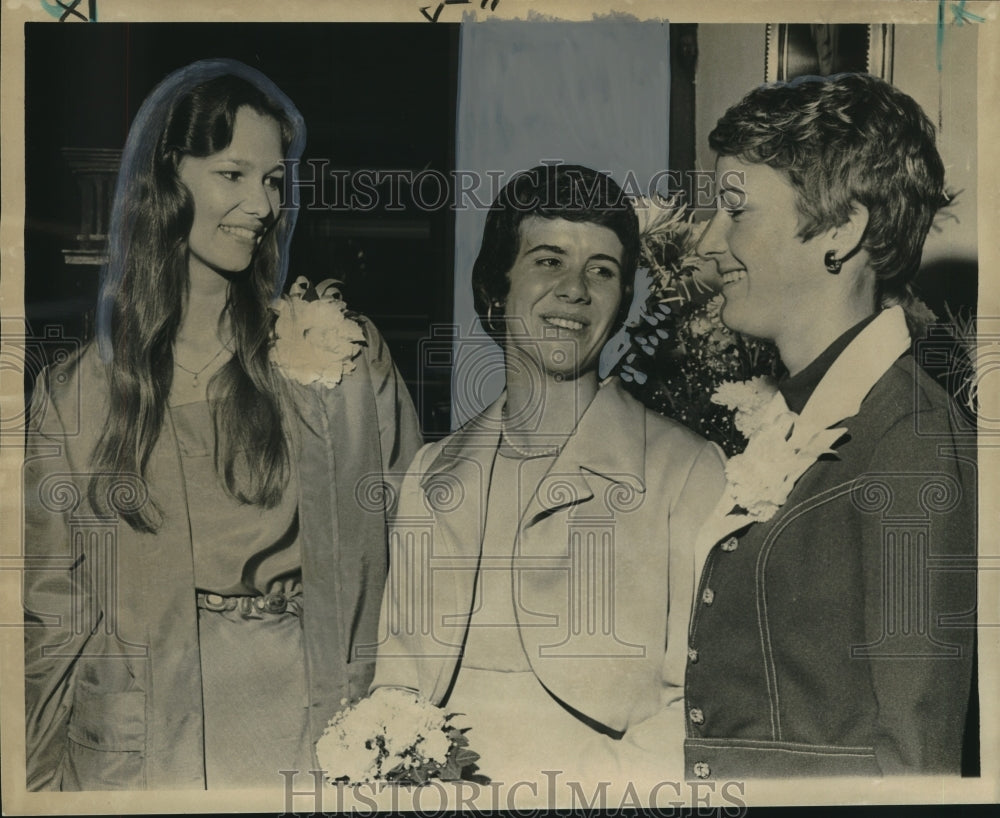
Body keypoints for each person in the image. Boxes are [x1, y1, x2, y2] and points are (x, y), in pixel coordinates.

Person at [22, 58, 422, 791]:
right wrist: (38, 790)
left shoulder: (345, 359)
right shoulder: (75, 396)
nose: (262, 205)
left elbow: (415, 550)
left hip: (312, 727)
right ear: (168, 178)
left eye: (273, 180)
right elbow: (47, 623)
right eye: (233, 175)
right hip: (148, 749)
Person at [370, 165, 725, 786]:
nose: (576, 290)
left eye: (602, 270)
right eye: (548, 261)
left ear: (620, 307)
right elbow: (396, 682)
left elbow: (696, 708)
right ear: (494, 289)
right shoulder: (432, 471)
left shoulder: (686, 471)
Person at [686, 73, 977, 778]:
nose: (706, 240)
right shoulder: (801, 415)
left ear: (841, 229)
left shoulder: (910, 439)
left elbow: (916, 760)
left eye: (736, 212)